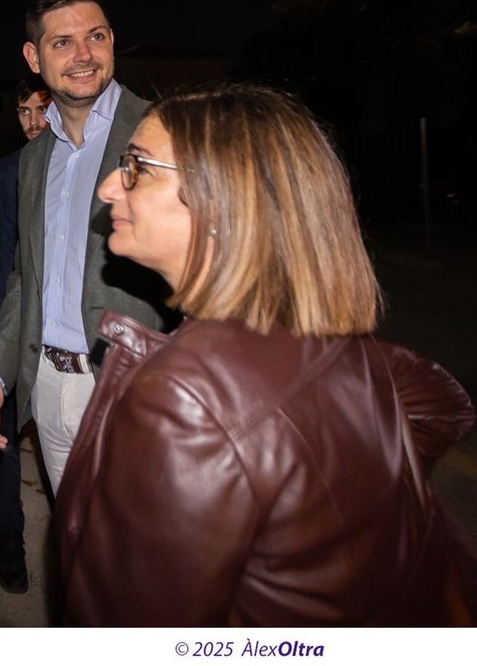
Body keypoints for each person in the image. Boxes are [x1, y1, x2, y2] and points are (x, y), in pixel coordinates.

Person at [56, 84, 477, 625]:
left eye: (138, 167)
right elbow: (439, 406)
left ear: (223, 199)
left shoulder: (186, 395)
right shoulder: (329, 340)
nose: (111, 187)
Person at [0, 0, 171, 495]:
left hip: (130, 393)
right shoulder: (36, 159)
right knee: (79, 556)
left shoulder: (162, 131)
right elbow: (24, 277)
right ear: (34, 58)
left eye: (96, 37)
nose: (83, 55)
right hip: (48, 390)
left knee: (142, 563)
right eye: (62, 42)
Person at [0, 74, 50, 594]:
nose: (32, 121)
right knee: (3, 437)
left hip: (72, 338)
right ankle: (11, 537)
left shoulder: (84, 173)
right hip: (17, 327)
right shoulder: (2, 177)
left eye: (41, 109)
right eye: (22, 111)